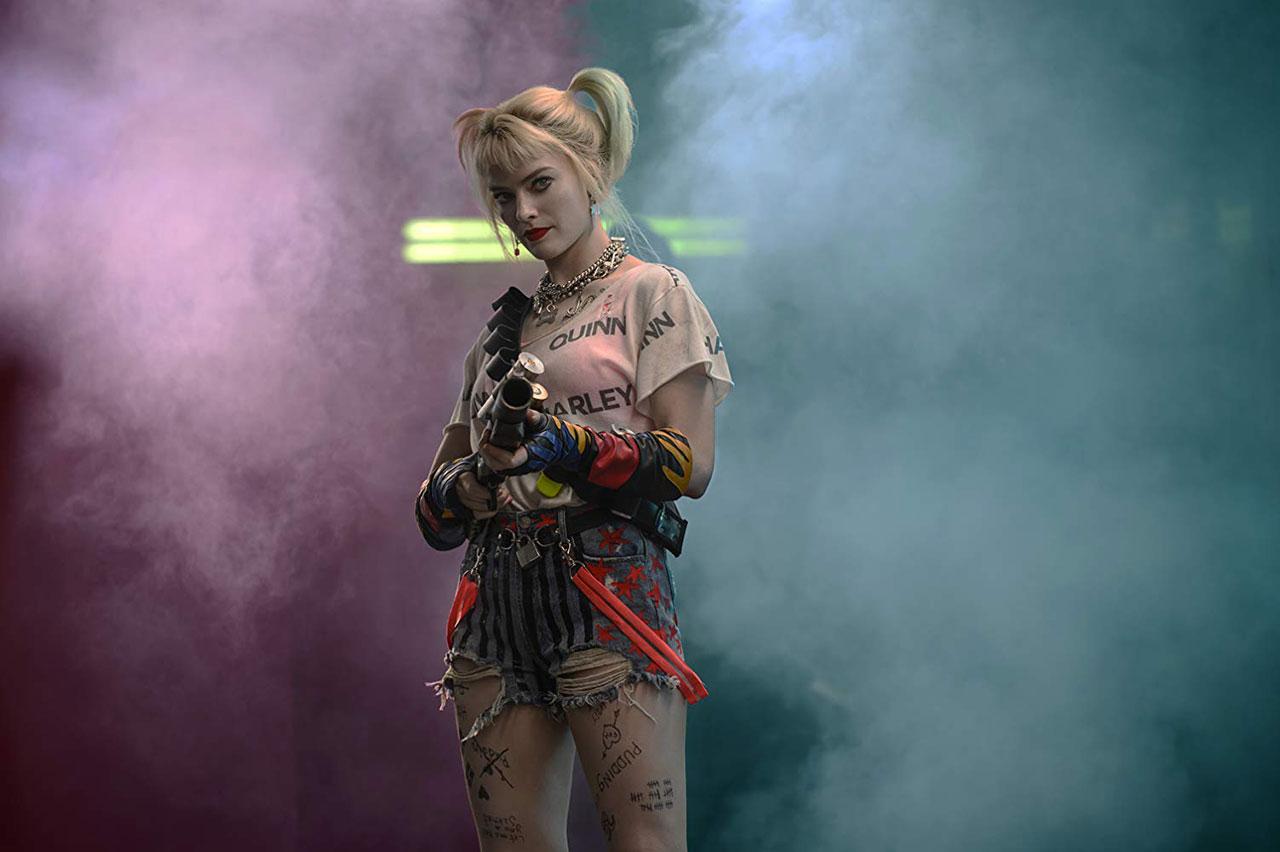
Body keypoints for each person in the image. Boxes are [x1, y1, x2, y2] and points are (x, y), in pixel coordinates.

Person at [416, 67, 732, 851]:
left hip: (607, 578)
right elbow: (433, 513)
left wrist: (563, 443)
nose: (522, 212)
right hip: (493, 595)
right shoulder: (499, 338)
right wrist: (479, 477)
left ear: (589, 172)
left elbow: (690, 465)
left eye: (539, 184)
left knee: (645, 841)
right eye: (503, 197)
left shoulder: (654, 292)